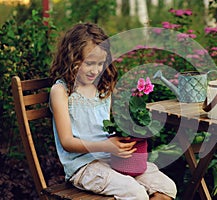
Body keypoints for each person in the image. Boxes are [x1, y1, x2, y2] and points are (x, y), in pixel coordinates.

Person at [49, 22, 177, 200]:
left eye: (100, 63)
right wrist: (106, 146)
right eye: (89, 63)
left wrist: (132, 132)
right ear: (72, 59)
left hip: (113, 158)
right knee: (136, 194)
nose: (96, 70)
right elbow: (67, 142)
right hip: (84, 166)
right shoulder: (61, 91)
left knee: (167, 188)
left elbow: (119, 121)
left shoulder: (103, 87)